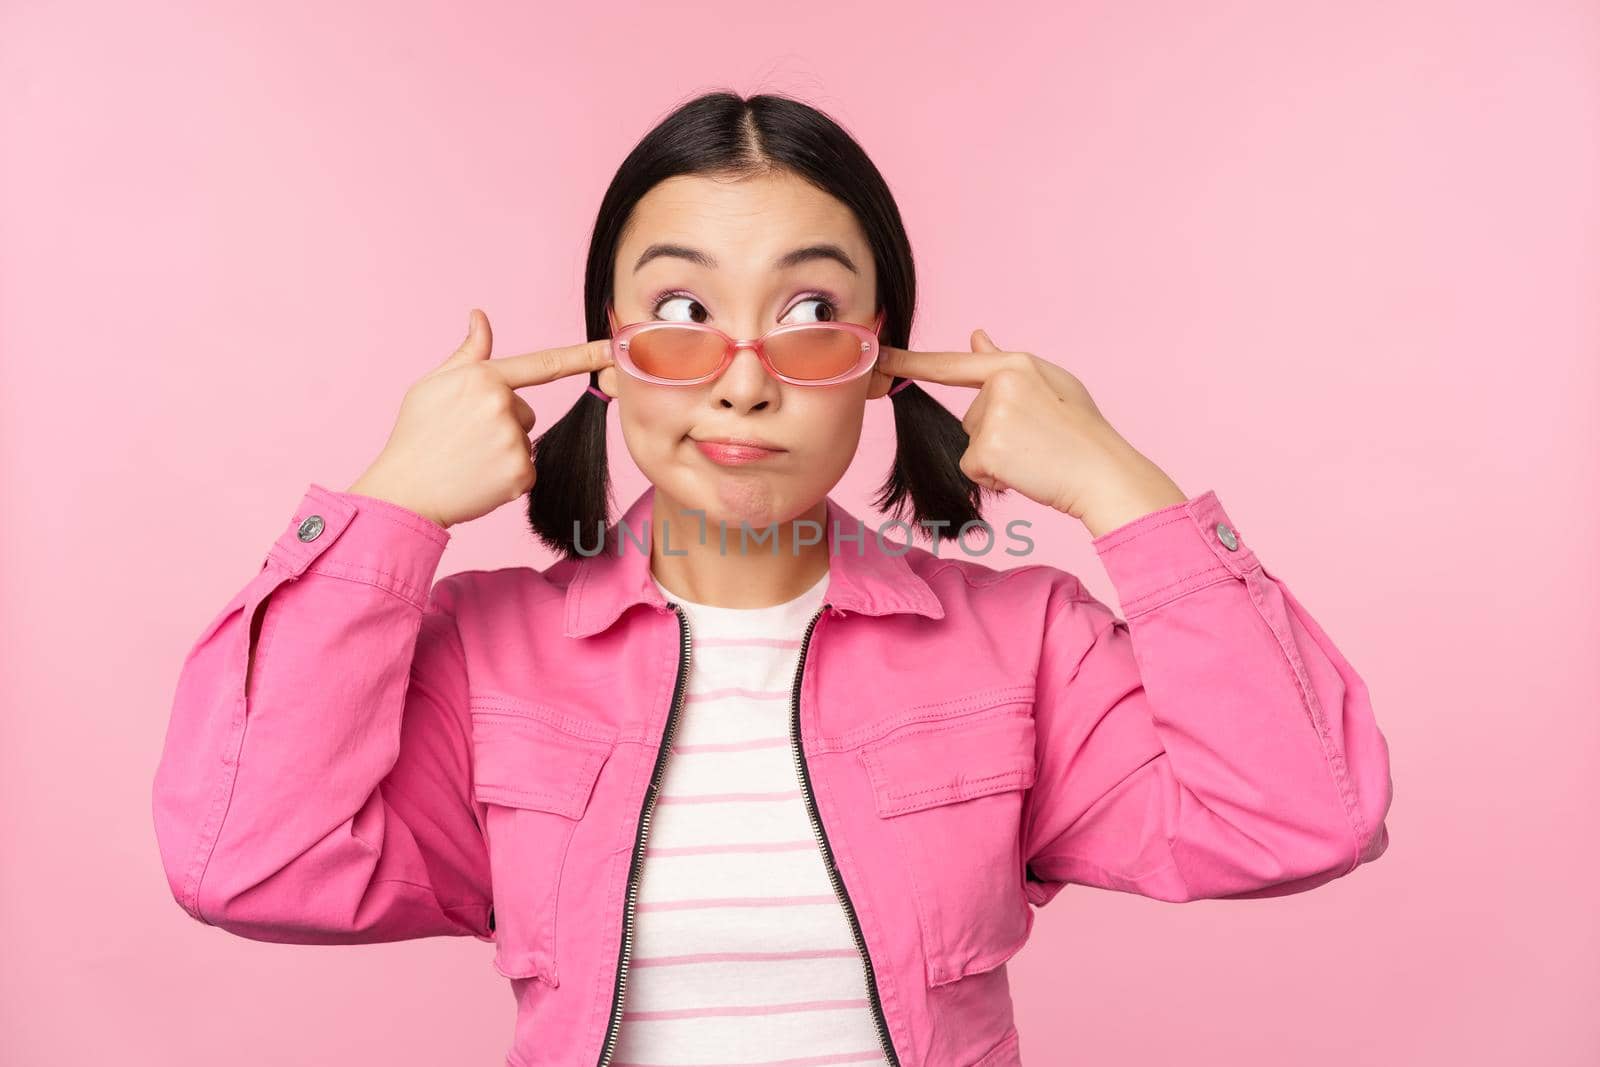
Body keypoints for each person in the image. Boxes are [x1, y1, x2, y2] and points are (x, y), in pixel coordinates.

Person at [151, 90, 1394, 1067]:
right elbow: (245, 861)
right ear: (606, 358)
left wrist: (1125, 488)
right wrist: (392, 505)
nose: (743, 379)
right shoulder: (482, 654)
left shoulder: (1023, 643)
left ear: (883, 363)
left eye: (810, 312)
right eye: (680, 310)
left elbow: (1300, 817)